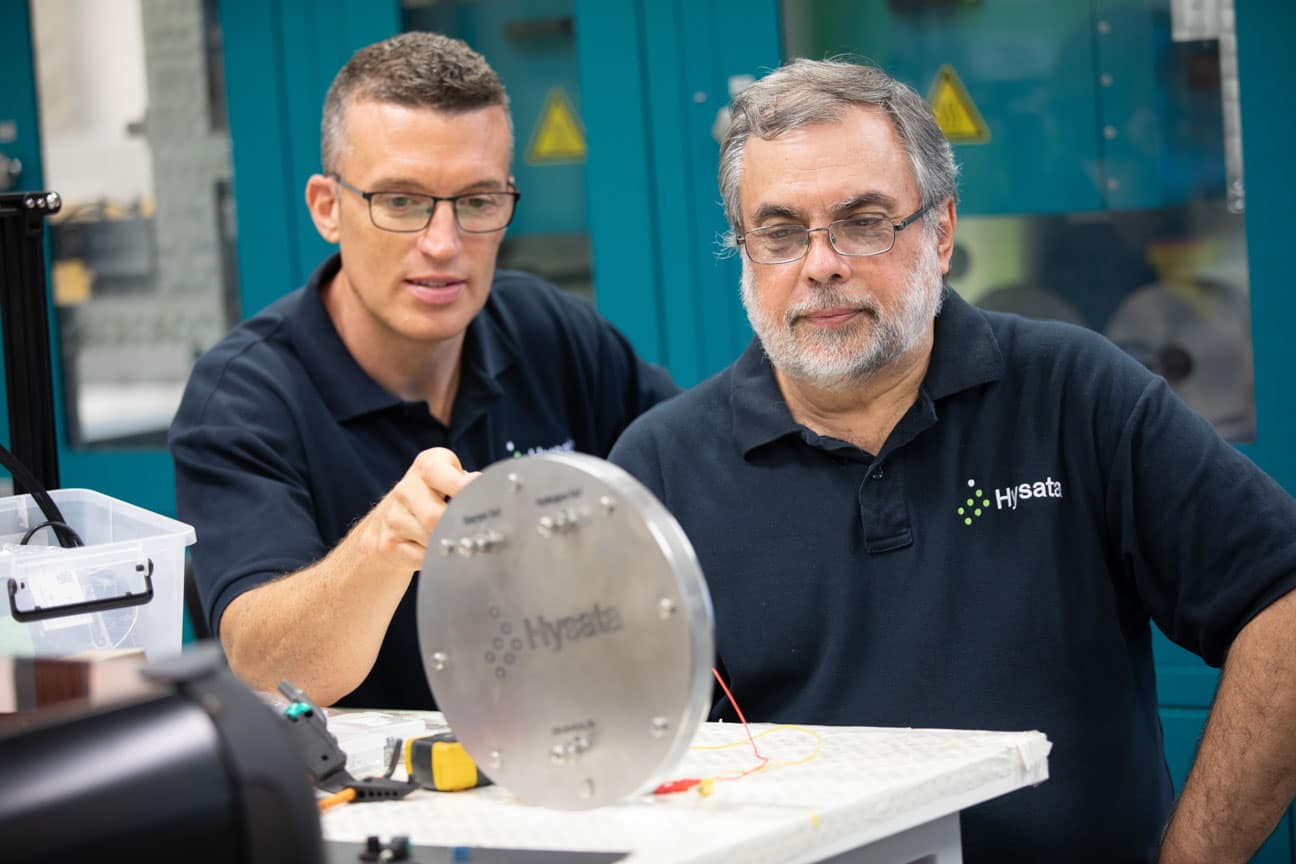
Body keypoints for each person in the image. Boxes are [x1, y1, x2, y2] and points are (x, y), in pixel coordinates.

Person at [609, 58, 1296, 863]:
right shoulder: (662, 468)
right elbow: (618, 754)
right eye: (781, 232)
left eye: (863, 222)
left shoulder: (1074, 394)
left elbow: (1281, 602)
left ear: (940, 232)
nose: (821, 264)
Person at [170, 32, 676, 710]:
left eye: (477, 201)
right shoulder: (243, 397)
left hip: (560, 743)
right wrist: (384, 544)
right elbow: (264, 668)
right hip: (364, 774)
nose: (443, 244)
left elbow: (694, 470)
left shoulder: (549, 330)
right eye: (401, 202)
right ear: (327, 207)